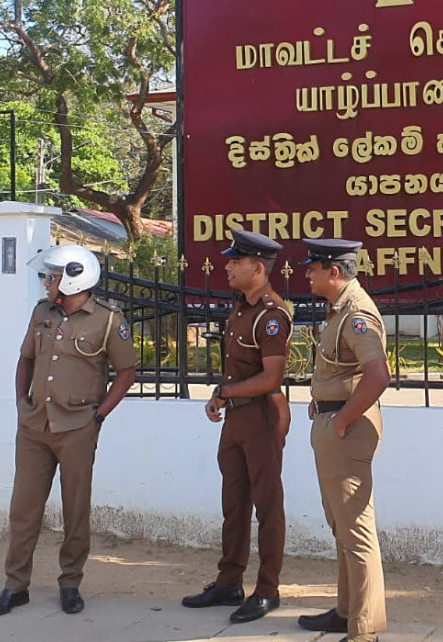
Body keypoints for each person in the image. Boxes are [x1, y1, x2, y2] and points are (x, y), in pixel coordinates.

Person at [0, 245, 137, 618]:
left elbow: (126, 373)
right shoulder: (41, 313)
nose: (46, 283)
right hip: (35, 427)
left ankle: (70, 584)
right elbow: (26, 358)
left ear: (73, 279)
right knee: (24, 508)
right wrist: (21, 402)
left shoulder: (108, 320)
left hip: (77, 428)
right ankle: (15, 586)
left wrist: (98, 416)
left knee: (75, 508)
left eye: (52, 277)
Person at [182, 229, 291, 623]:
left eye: (235, 261)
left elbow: (271, 378)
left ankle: (267, 589)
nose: (226, 267)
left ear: (257, 268)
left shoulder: (271, 315)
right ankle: (229, 581)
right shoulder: (242, 308)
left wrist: (225, 391)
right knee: (234, 503)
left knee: (267, 506)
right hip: (236, 418)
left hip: (261, 417)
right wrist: (222, 396)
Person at [296, 238, 391, 642]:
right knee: (340, 523)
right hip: (334, 420)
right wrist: (324, 404)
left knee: (355, 528)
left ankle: (364, 628)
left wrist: (342, 419)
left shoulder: (357, 314)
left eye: (313, 267)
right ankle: (346, 610)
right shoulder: (339, 309)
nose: (306, 274)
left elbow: (378, 375)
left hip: (347, 430)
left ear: (333, 271)